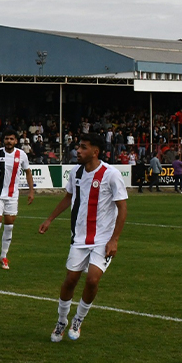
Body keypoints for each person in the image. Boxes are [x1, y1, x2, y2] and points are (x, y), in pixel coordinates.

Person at [38, 134, 128, 343]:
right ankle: (61, 321)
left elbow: (122, 208)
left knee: (93, 279)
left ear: (95, 152)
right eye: (79, 147)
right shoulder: (76, 172)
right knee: (70, 280)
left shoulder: (111, 174)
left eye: (83, 147)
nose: (78, 150)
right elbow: (69, 197)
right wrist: (50, 219)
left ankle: (78, 319)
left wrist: (114, 239)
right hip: (79, 237)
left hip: (102, 239)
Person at [0, 130, 35, 270]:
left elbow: (28, 172)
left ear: (16, 141)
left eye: (11, 139)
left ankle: (3, 256)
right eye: (6, 138)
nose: (9, 141)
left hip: (12, 195)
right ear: (3, 140)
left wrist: (31, 191)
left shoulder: (21, 155)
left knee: (9, 226)